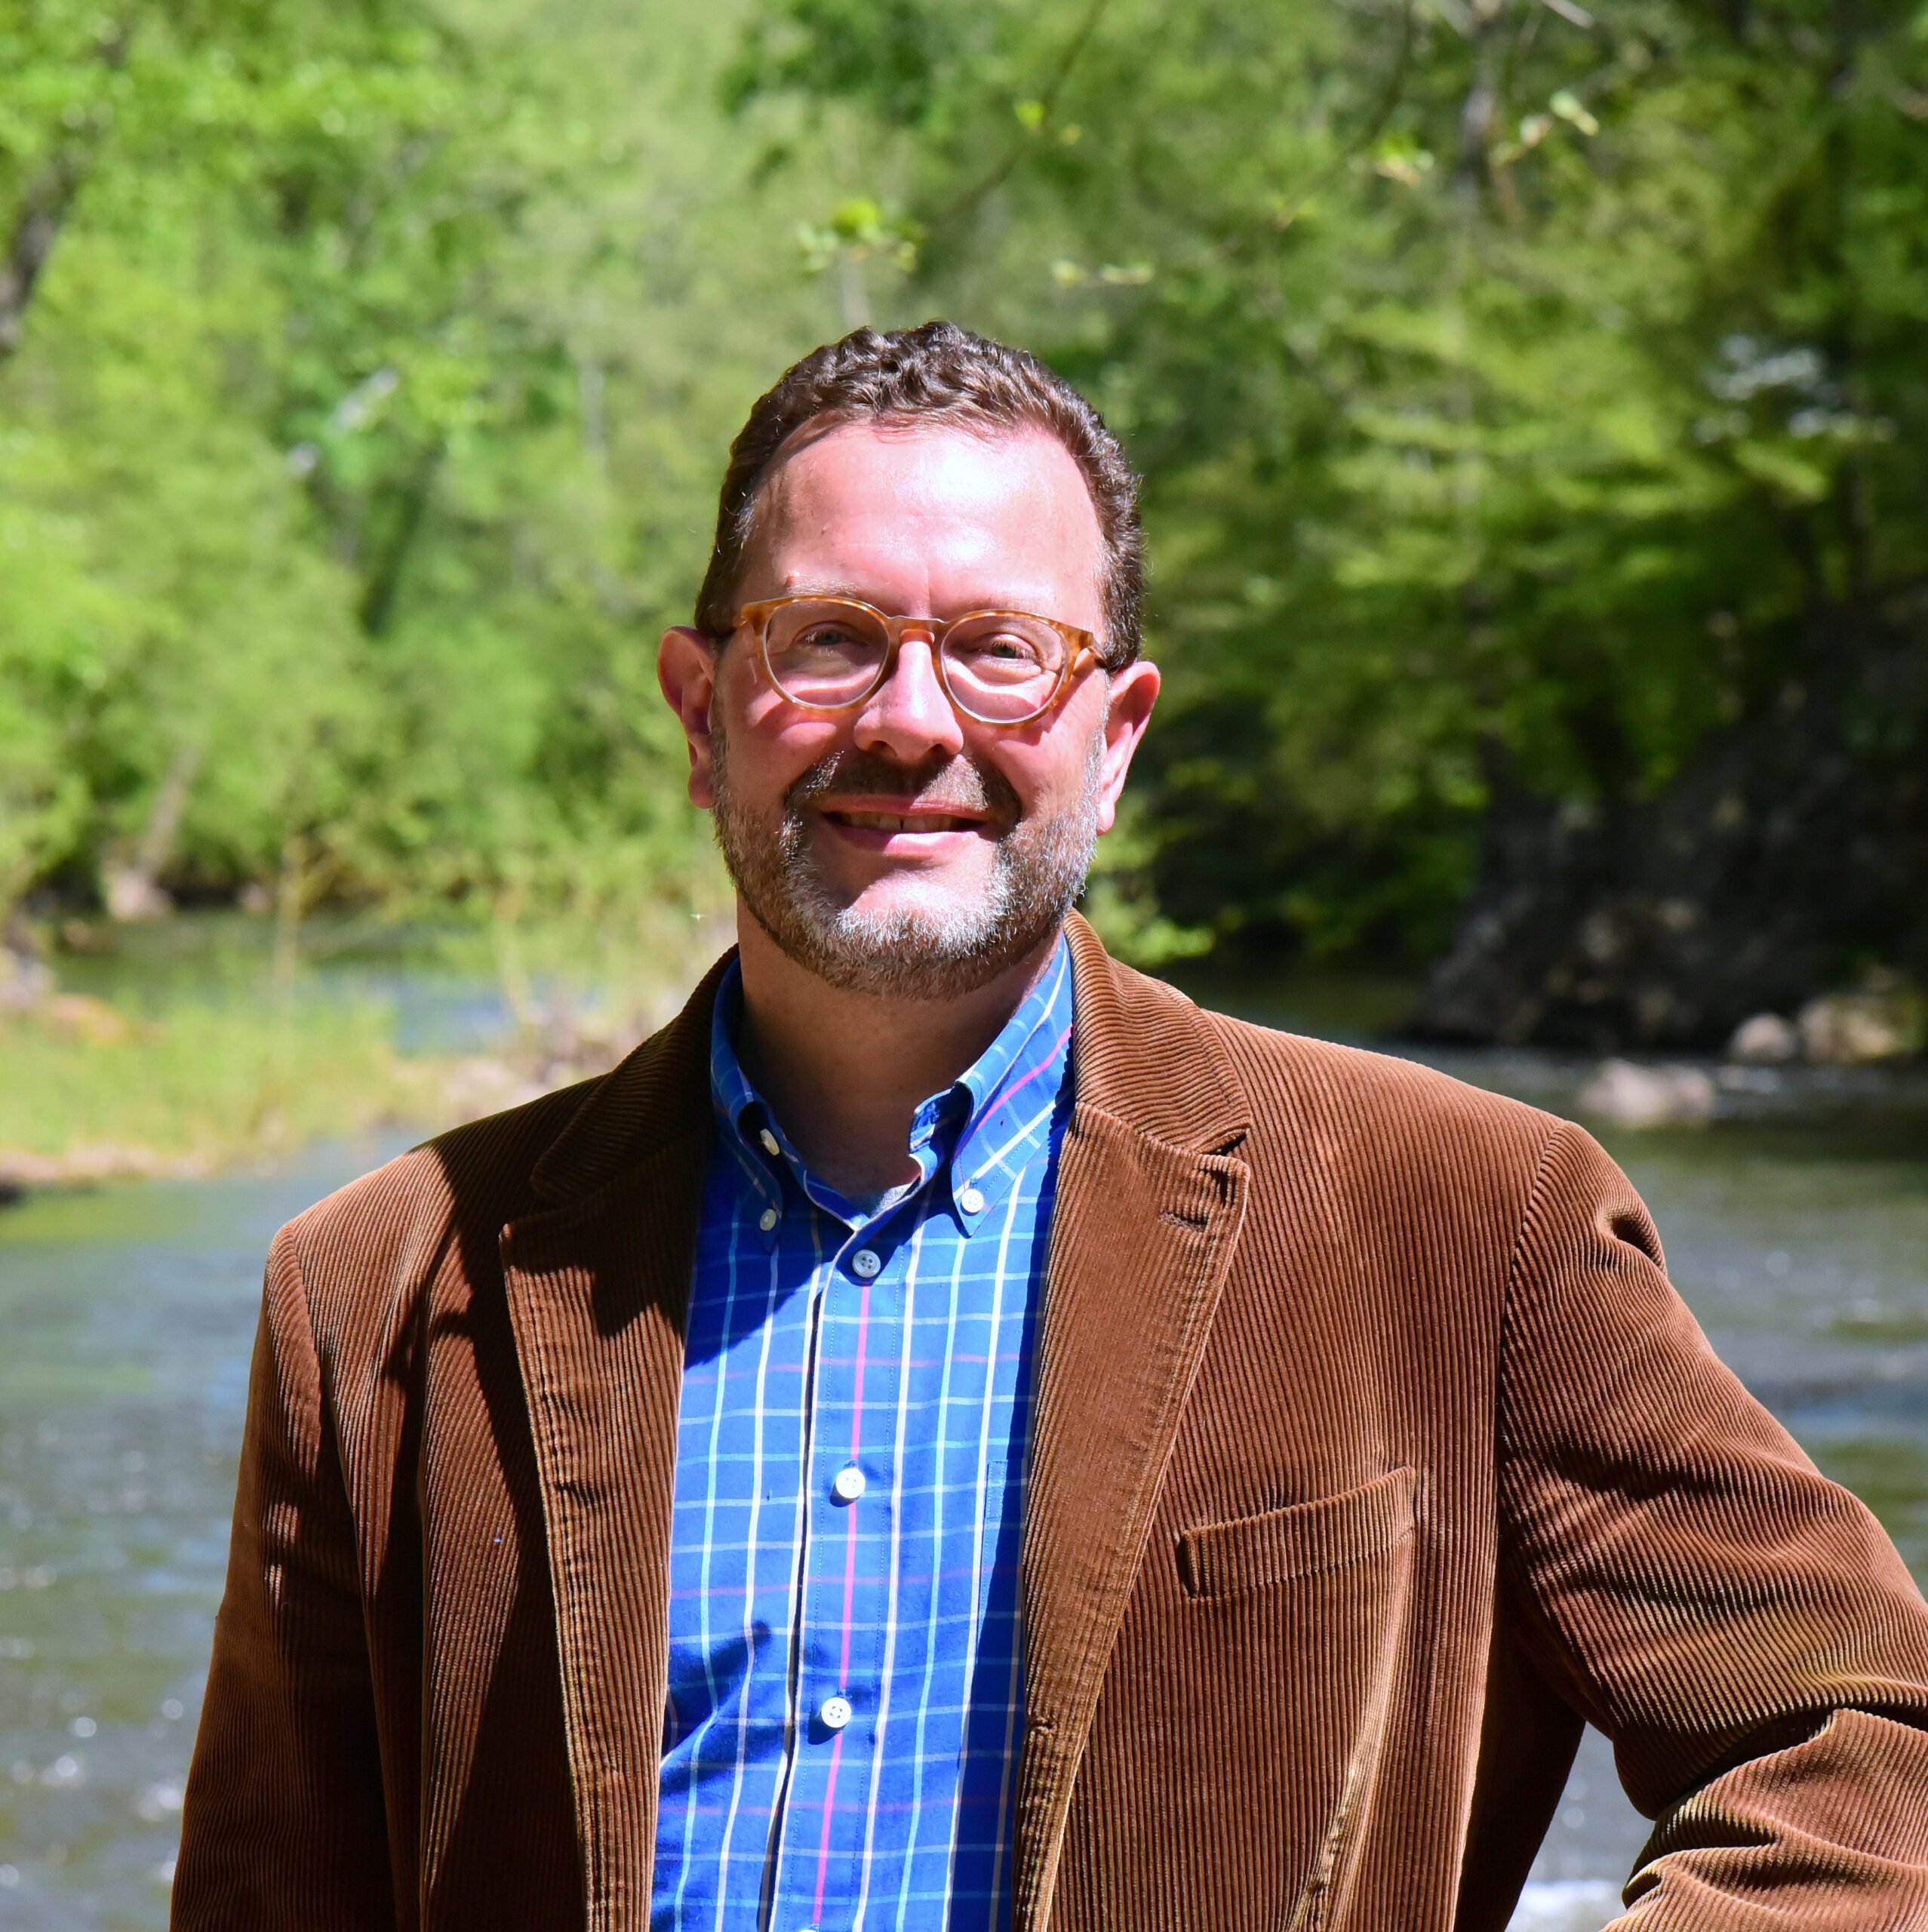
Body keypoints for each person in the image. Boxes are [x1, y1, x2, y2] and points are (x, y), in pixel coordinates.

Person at [174, 322, 1928, 1932]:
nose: (913, 718)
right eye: (830, 639)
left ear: (1116, 733)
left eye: (1001, 651)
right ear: (702, 711)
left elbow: (1867, 1734)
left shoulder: (1468, 1224)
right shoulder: (384, 1290)